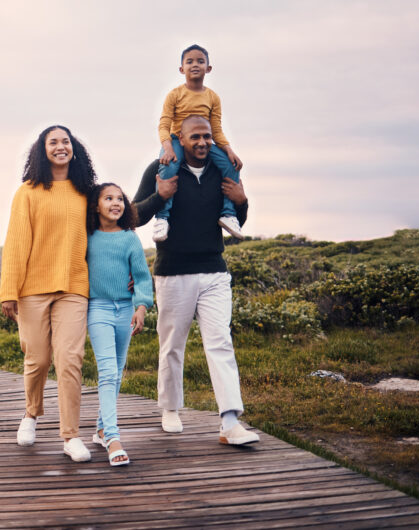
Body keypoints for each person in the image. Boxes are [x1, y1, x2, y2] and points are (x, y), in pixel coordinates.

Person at [133, 115, 260, 445]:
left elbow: (234, 220)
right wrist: (159, 196)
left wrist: (242, 201)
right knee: (172, 346)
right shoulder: (161, 167)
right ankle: (171, 408)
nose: (202, 142)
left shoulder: (222, 168)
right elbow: (134, 215)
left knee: (220, 342)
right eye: (195, 137)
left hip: (215, 271)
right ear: (181, 138)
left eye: (207, 137)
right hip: (173, 272)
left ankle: (230, 422)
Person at [0, 125, 97, 462]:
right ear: (42, 150)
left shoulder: (87, 192)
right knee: (37, 359)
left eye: (65, 141)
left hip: (74, 287)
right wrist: (8, 291)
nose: (60, 147)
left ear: (74, 149)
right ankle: (31, 414)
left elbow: (111, 230)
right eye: (53, 142)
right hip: (32, 290)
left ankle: (70, 436)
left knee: (69, 360)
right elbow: (16, 244)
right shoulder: (27, 192)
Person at [86, 183, 153, 466]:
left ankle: (101, 428)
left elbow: (141, 276)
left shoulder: (129, 238)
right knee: (108, 372)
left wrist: (141, 306)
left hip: (125, 309)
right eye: (108, 198)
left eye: (120, 199)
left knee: (117, 371)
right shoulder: (86, 237)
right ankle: (113, 437)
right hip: (97, 308)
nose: (116, 203)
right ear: (96, 206)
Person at [153, 44, 244, 243]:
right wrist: (168, 147)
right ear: (181, 69)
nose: (195, 65)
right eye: (190, 62)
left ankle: (227, 214)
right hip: (178, 140)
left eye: (200, 61)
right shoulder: (175, 95)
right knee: (168, 167)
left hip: (205, 141)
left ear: (208, 68)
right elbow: (164, 124)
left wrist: (229, 150)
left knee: (232, 166)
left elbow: (216, 129)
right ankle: (162, 218)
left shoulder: (212, 97)